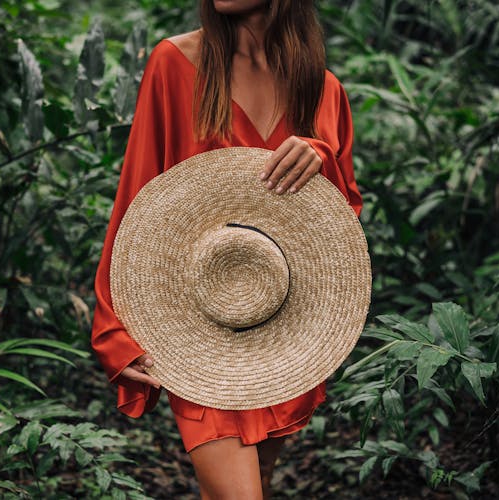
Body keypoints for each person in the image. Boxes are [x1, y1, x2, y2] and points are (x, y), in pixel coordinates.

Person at [91, 0, 362, 497]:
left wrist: (319, 154)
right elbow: (136, 196)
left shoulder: (321, 87)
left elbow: (341, 221)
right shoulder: (174, 63)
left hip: (281, 326)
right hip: (192, 323)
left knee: (256, 481)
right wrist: (113, 324)